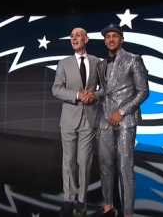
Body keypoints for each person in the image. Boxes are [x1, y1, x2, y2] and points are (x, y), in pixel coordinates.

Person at [89, 24, 150, 217]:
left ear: (121, 39)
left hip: (125, 121)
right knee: (105, 165)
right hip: (105, 119)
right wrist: (93, 95)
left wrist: (122, 111)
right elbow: (106, 91)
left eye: (115, 36)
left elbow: (143, 92)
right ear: (105, 41)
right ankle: (108, 206)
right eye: (108, 37)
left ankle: (128, 213)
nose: (111, 39)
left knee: (125, 168)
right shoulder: (101, 64)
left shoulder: (133, 60)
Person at [52, 27, 100, 217]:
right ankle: (68, 198)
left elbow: (105, 89)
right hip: (69, 119)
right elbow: (56, 89)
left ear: (86, 39)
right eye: (71, 36)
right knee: (69, 160)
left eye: (78, 35)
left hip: (89, 119)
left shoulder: (97, 62)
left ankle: (81, 200)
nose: (74, 38)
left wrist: (94, 95)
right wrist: (78, 95)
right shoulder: (63, 64)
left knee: (84, 161)